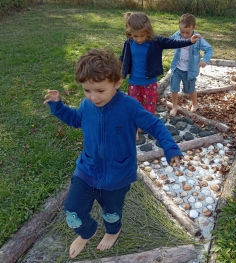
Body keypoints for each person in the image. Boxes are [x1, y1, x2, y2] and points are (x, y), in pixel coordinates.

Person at [43, 49, 183, 259]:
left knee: (112, 213)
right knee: (72, 210)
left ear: (117, 83)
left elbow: (155, 125)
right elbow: (75, 119)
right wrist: (58, 106)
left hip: (118, 175)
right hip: (87, 170)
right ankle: (87, 231)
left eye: (100, 90)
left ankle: (112, 231)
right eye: (87, 90)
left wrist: (170, 148)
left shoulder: (129, 107)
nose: (93, 97)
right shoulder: (87, 104)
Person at [120, 12, 201, 140]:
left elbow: (173, 42)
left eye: (142, 35)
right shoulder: (129, 43)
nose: (139, 39)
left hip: (149, 83)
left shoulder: (156, 41)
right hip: (134, 83)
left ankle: (149, 126)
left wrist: (189, 41)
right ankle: (135, 128)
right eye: (135, 36)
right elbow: (123, 59)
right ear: (130, 33)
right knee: (133, 107)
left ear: (148, 30)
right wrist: (119, 75)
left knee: (149, 107)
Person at [169, 13, 213, 116]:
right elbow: (168, 42)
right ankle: (174, 106)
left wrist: (204, 60)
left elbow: (209, 49)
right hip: (177, 68)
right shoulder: (176, 35)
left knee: (190, 89)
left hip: (190, 71)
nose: (184, 35)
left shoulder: (198, 39)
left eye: (187, 33)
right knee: (174, 87)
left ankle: (195, 104)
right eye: (182, 32)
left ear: (194, 28)